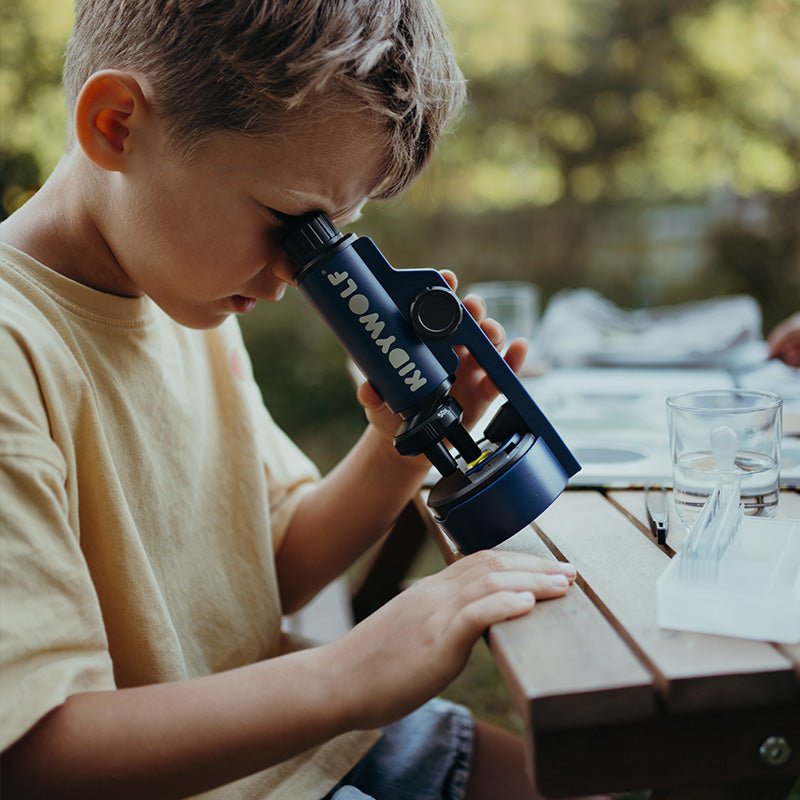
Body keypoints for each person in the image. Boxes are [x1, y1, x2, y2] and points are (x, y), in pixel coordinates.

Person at [0, 2, 582, 799]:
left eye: (331, 234)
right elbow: (32, 754)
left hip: (288, 745)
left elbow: (267, 564)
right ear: (116, 125)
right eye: (288, 222)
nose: (291, 277)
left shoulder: (180, 288)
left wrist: (395, 444)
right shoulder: (16, 352)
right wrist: (349, 674)